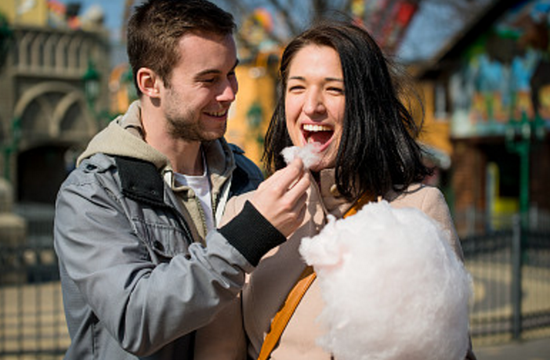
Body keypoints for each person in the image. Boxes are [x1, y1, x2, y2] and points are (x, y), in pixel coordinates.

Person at [202, 21, 477, 360]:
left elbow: (451, 348)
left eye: (334, 89)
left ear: (366, 104)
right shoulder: (244, 212)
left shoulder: (418, 207)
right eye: (297, 88)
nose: (312, 105)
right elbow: (218, 352)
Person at [53, 0, 310, 359]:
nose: (229, 93)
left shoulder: (246, 175)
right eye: (209, 79)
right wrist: (250, 233)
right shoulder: (93, 192)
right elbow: (135, 319)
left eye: (230, 73)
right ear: (150, 82)